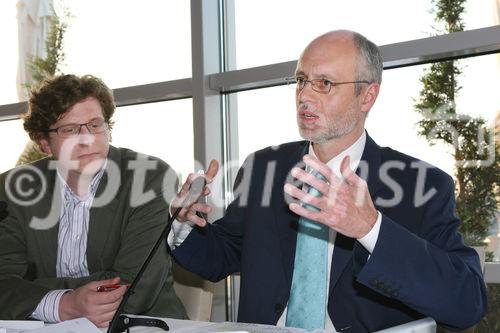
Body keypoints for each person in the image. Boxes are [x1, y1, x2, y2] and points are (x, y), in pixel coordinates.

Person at [168, 30, 487, 332]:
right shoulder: (263, 167)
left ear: (367, 95)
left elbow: (468, 301)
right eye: (301, 81)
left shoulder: (423, 185)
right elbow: (224, 255)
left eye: (324, 83)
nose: (304, 95)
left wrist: (370, 228)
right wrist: (185, 226)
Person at [0, 74, 187, 327]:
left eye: (95, 125)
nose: (87, 139)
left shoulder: (149, 178)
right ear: (44, 143)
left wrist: (38, 290)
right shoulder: (12, 188)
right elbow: (4, 283)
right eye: (69, 129)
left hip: (140, 326)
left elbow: (134, 288)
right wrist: (66, 304)